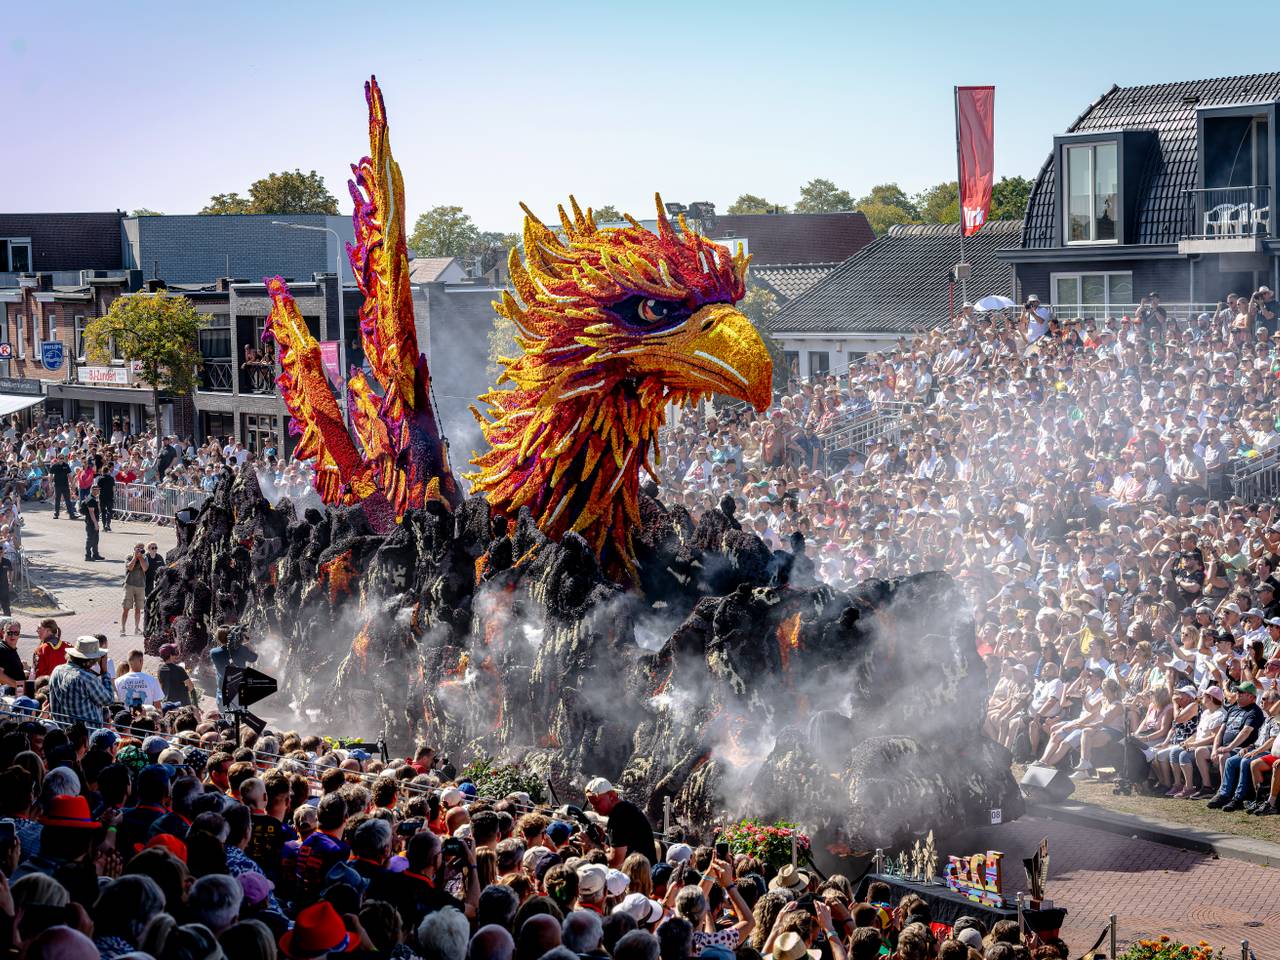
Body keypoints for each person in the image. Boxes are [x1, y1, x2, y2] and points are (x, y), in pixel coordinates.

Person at [47, 635, 115, 728]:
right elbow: (109, 699)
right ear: (90, 660)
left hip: (61, 732)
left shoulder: (57, 671)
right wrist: (104, 672)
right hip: (86, 736)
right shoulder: (87, 678)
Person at [585, 777, 656, 866]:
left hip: (638, 875)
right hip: (646, 871)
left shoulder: (618, 817)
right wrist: (605, 840)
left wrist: (592, 848)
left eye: (596, 802)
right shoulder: (626, 808)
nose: (593, 807)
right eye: (591, 803)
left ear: (611, 795)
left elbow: (615, 862)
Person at [209, 625, 258, 710]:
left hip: (222, 688)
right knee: (239, 715)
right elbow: (254, 658)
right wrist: (248, 645)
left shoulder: (214, 652)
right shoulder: (241, 649)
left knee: (224, 715)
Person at [121, 543, 149, 636]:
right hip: (129, 584)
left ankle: (136, 628)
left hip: (140, 585)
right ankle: (123, 628)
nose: (140, 550)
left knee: (138, 609)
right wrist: (135, 557)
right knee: (126, 608)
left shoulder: (144, 557)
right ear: (134, 549)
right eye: (138, 548)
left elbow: (145, 568)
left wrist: (140, 557)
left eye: (142, 548)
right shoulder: (129, 556)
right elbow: (130, 567)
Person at [157, 642, 196, 707]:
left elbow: (161, 688)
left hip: (169, 704)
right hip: (183, 703)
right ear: (170, 655)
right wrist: (185, 690)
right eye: (174, 653)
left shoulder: (160, 670)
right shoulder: (179, 669)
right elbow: (191, 686)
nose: (176, 655)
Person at [0, 616, 25, 693]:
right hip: (9, 696)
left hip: (16, 693)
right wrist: (19, 686)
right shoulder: (2, 649)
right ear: (3, 632)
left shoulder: (11, 649)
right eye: (9, 633)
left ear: (19, 634)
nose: (12, 636)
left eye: (16, 633)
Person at [50, 452, 76, 520]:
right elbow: (51, 475)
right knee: (57, 500)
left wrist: (72, 484)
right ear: (57, 459)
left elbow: (69, 475)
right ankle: (56, 514)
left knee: (68, 500)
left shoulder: (66, 465)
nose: (62, 459)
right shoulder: (54, 465)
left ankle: (71, 514)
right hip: (57, 485)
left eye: (63, 458)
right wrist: (50, 484)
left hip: (65, 485)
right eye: (60, 458)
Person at [82, 483, 102, 562]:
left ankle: (95, 554)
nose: (99, 491)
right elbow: (91, 512)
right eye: (97, 490)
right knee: (90, 538)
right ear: (94, 490)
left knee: (96, 538)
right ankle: (88, 555)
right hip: (91, 522)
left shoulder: (93, 498)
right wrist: (95, 523)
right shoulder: (91, 499)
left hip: (92, 521)